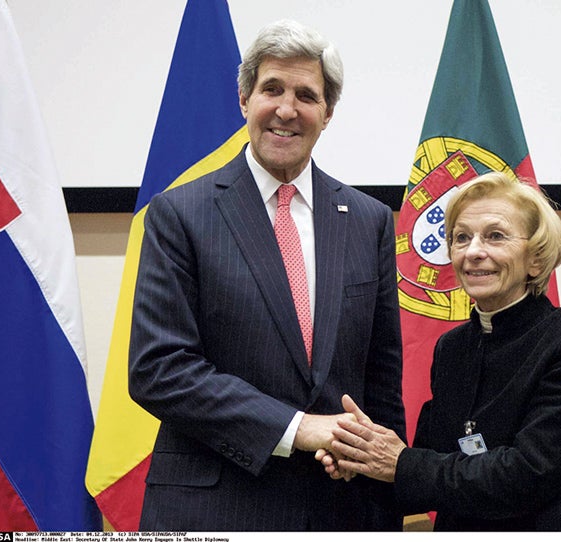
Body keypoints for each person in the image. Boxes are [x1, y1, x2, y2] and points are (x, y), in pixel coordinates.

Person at [128, 19, 405, 531]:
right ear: (244, 100)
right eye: (272, 89)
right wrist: (298, 428)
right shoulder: (179, 214)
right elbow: (159, 369)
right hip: (216, 509)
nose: (286, 109)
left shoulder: (369, 220)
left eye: (306, 95)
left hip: (341, 508)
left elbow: (382, 380)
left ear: (327, 113)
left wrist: (379, 471)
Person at [325, 172, 561, 531]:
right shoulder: (452, 348)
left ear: (536, 259)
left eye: (495, 236)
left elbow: (527, 475)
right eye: (461, 238)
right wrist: (360, 460)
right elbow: (426, 466)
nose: (473, 252)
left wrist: (400, 464)